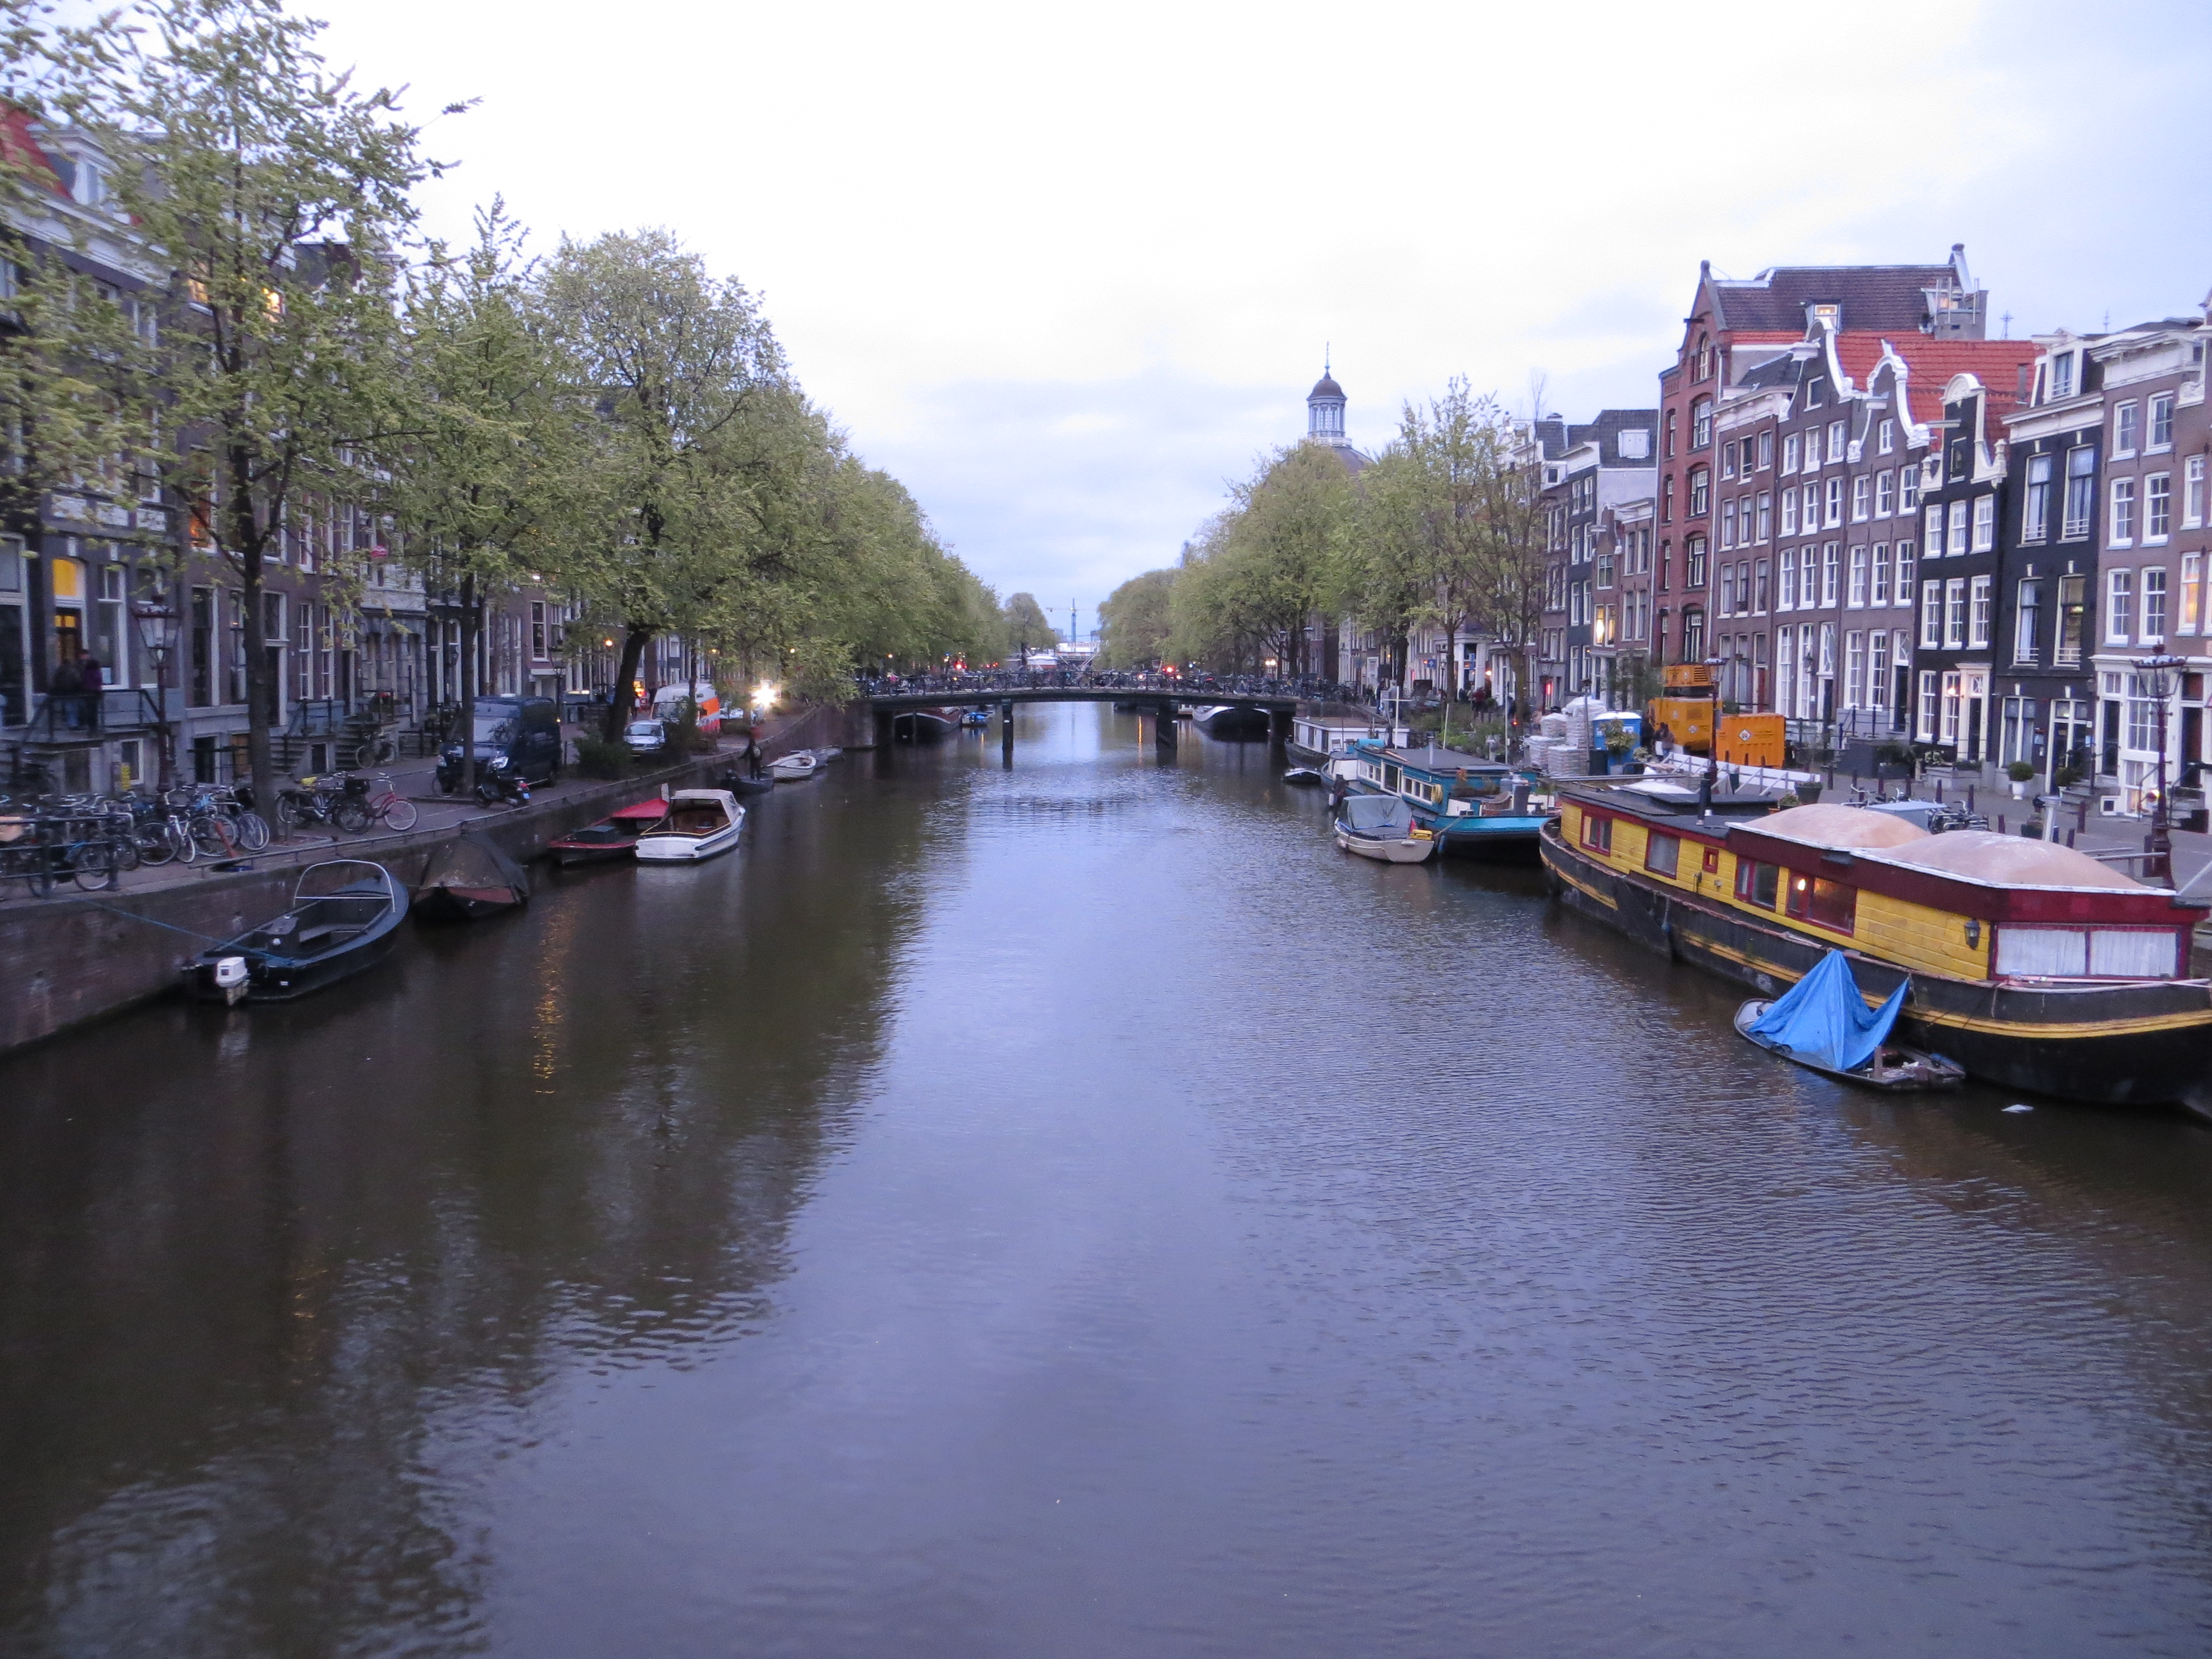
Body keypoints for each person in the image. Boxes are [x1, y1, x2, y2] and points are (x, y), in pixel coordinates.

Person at [48, 655, 81, 729]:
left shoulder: (58, 671)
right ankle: (73, 724)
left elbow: (55, 682)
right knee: (73, 709)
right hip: (73, 692)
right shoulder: (73, 671)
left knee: (66, 708)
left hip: (62, 692)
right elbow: (78, 681)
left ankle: (66, 723)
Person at [75, 650, 102, 732]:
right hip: (94, 692)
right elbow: (98, 680)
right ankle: (93, 727)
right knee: (94, 710)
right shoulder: (96, 672)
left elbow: (82, 680)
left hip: (86, 691)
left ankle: (89, 725)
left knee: (87, 708)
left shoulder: (85, 672)